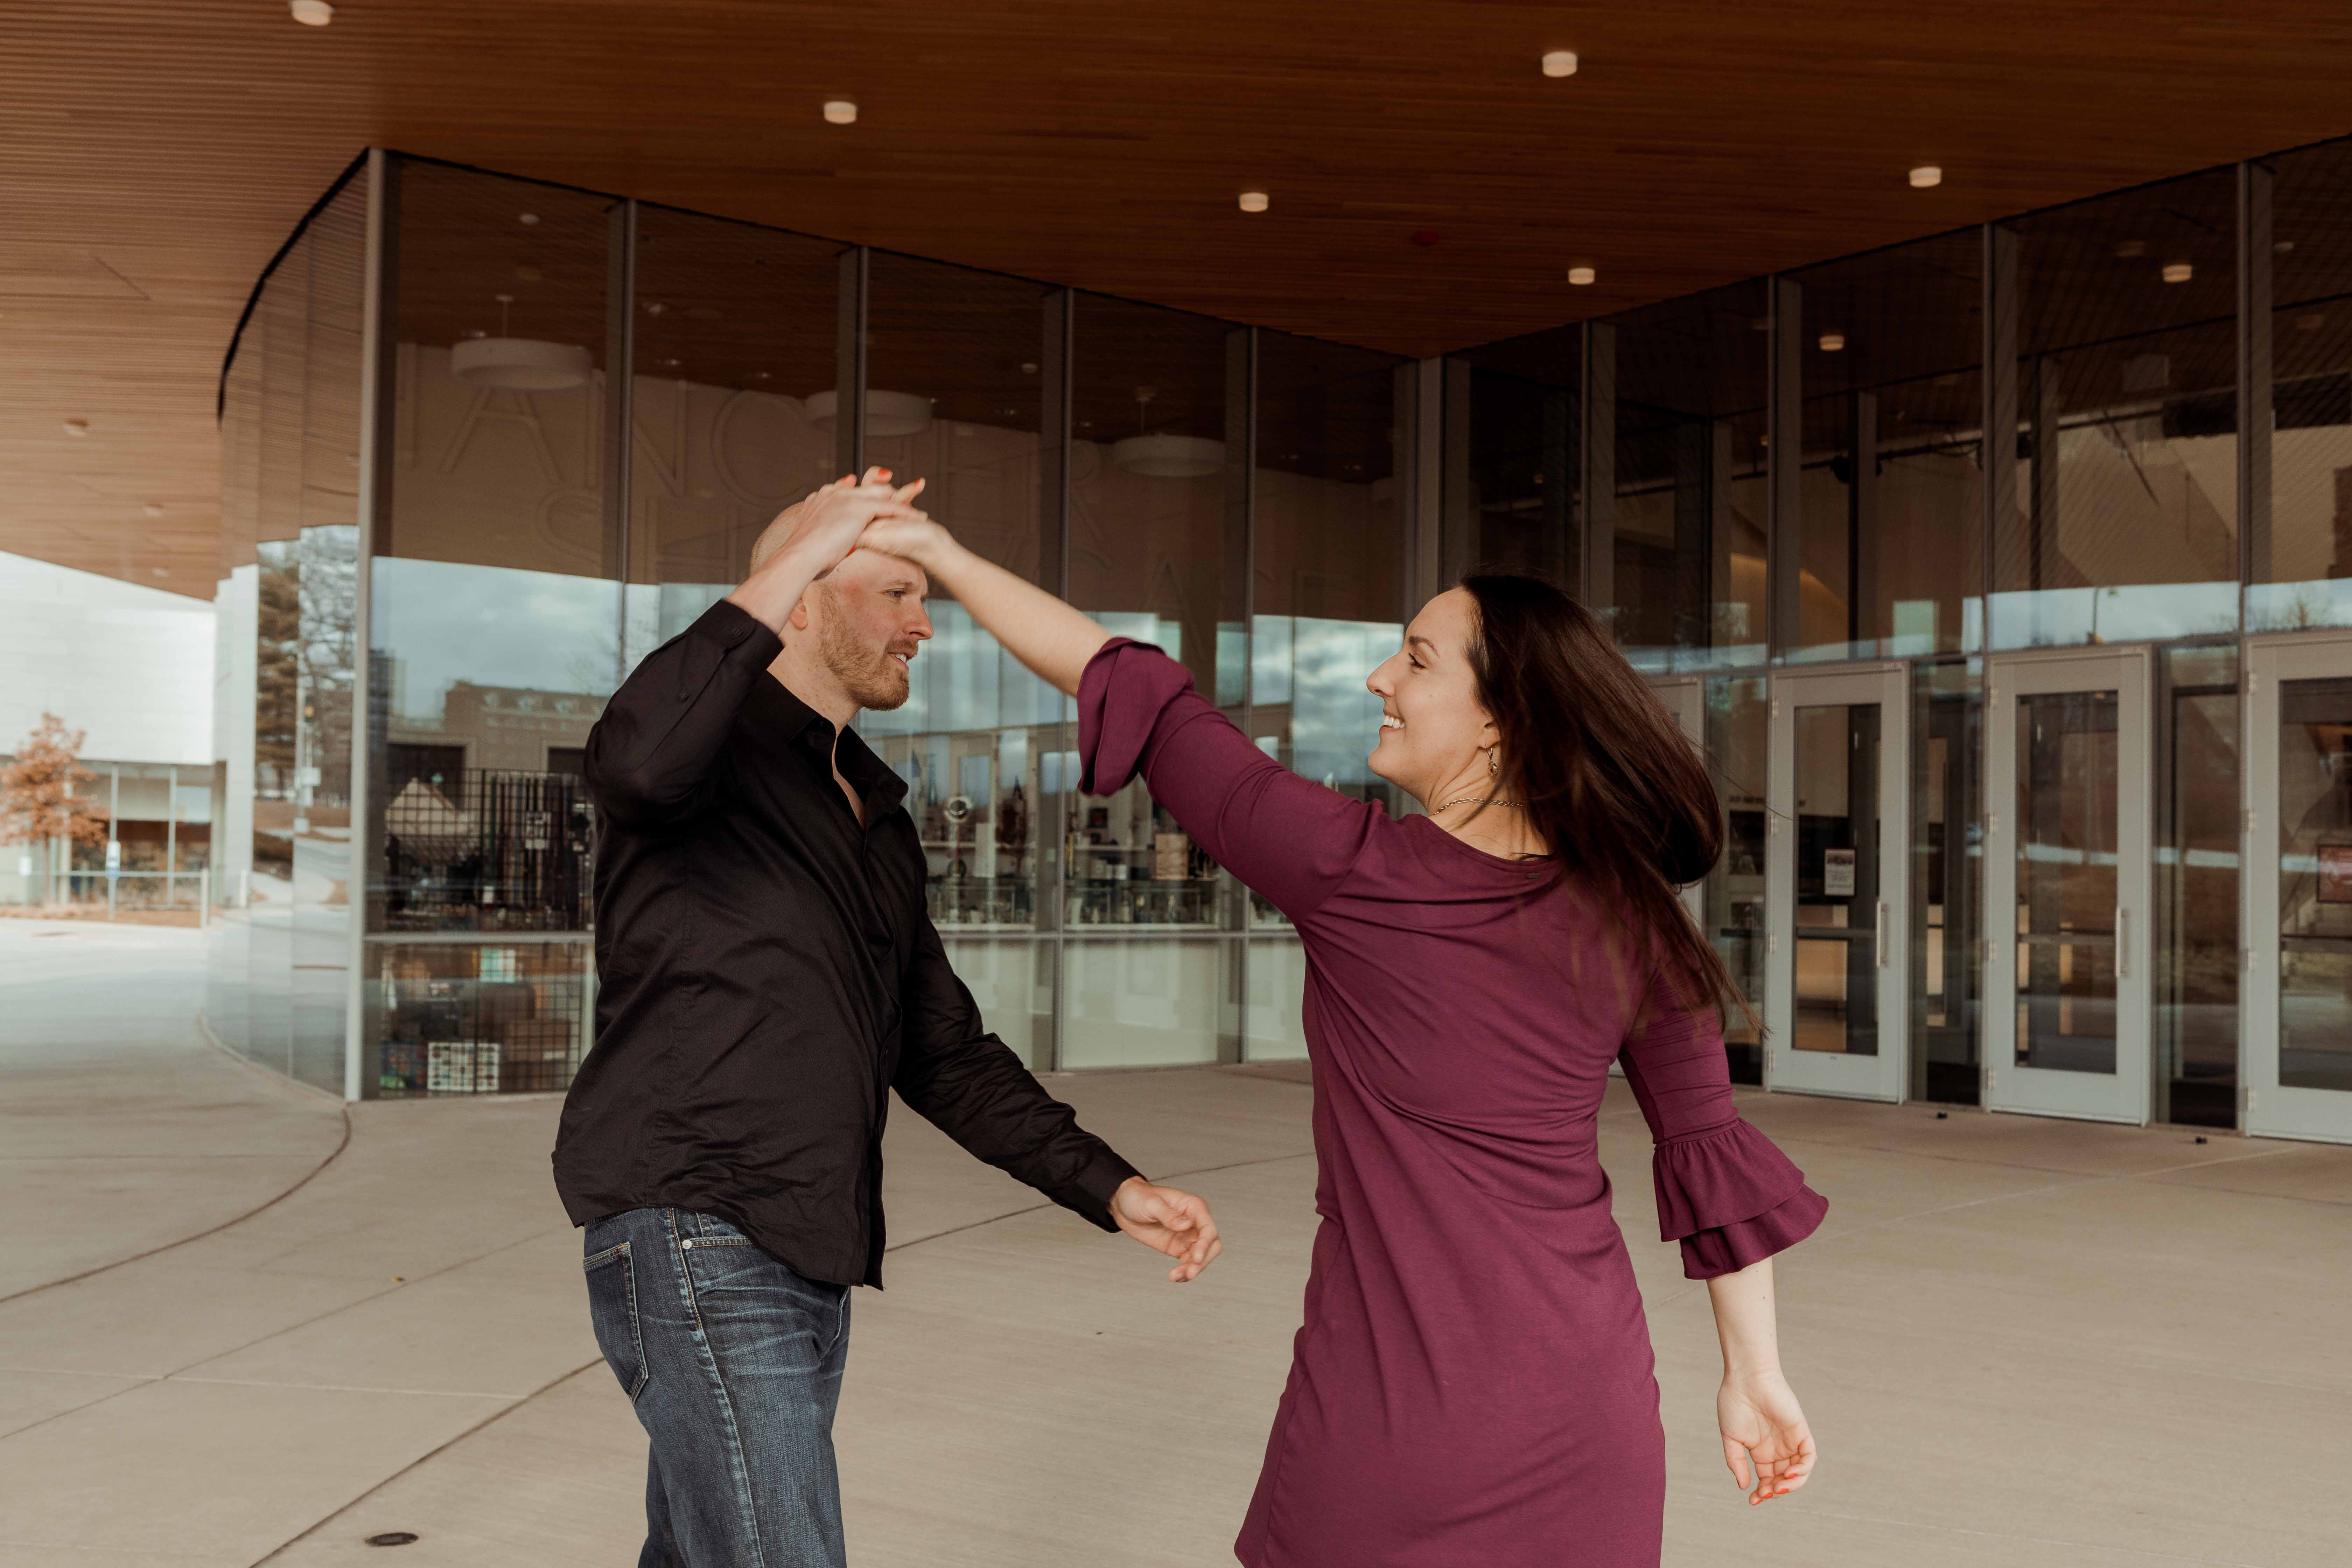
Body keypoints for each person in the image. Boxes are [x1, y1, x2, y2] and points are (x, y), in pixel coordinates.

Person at [856, 507, 1826, 1567]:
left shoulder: (1352, 871)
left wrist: (947, 556)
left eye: (1414, 659)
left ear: (1501, 722)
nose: (1379, 679)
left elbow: (1130, 684)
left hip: (1392, 1420)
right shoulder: (1634, 916)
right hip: (1587, 1411)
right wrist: (1754, 1375)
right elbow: (1710, 1154)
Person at [553, 470, 1224, 1568]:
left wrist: (1108, 1182)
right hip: (698, 1223)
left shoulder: (872, 813)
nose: (922, 625)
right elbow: (633, 760)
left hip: (809, 1248)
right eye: (894, 593)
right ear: (803, 599)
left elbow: (941, 1048)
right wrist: (798, 542)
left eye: (926, 599)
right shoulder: (697, 759)